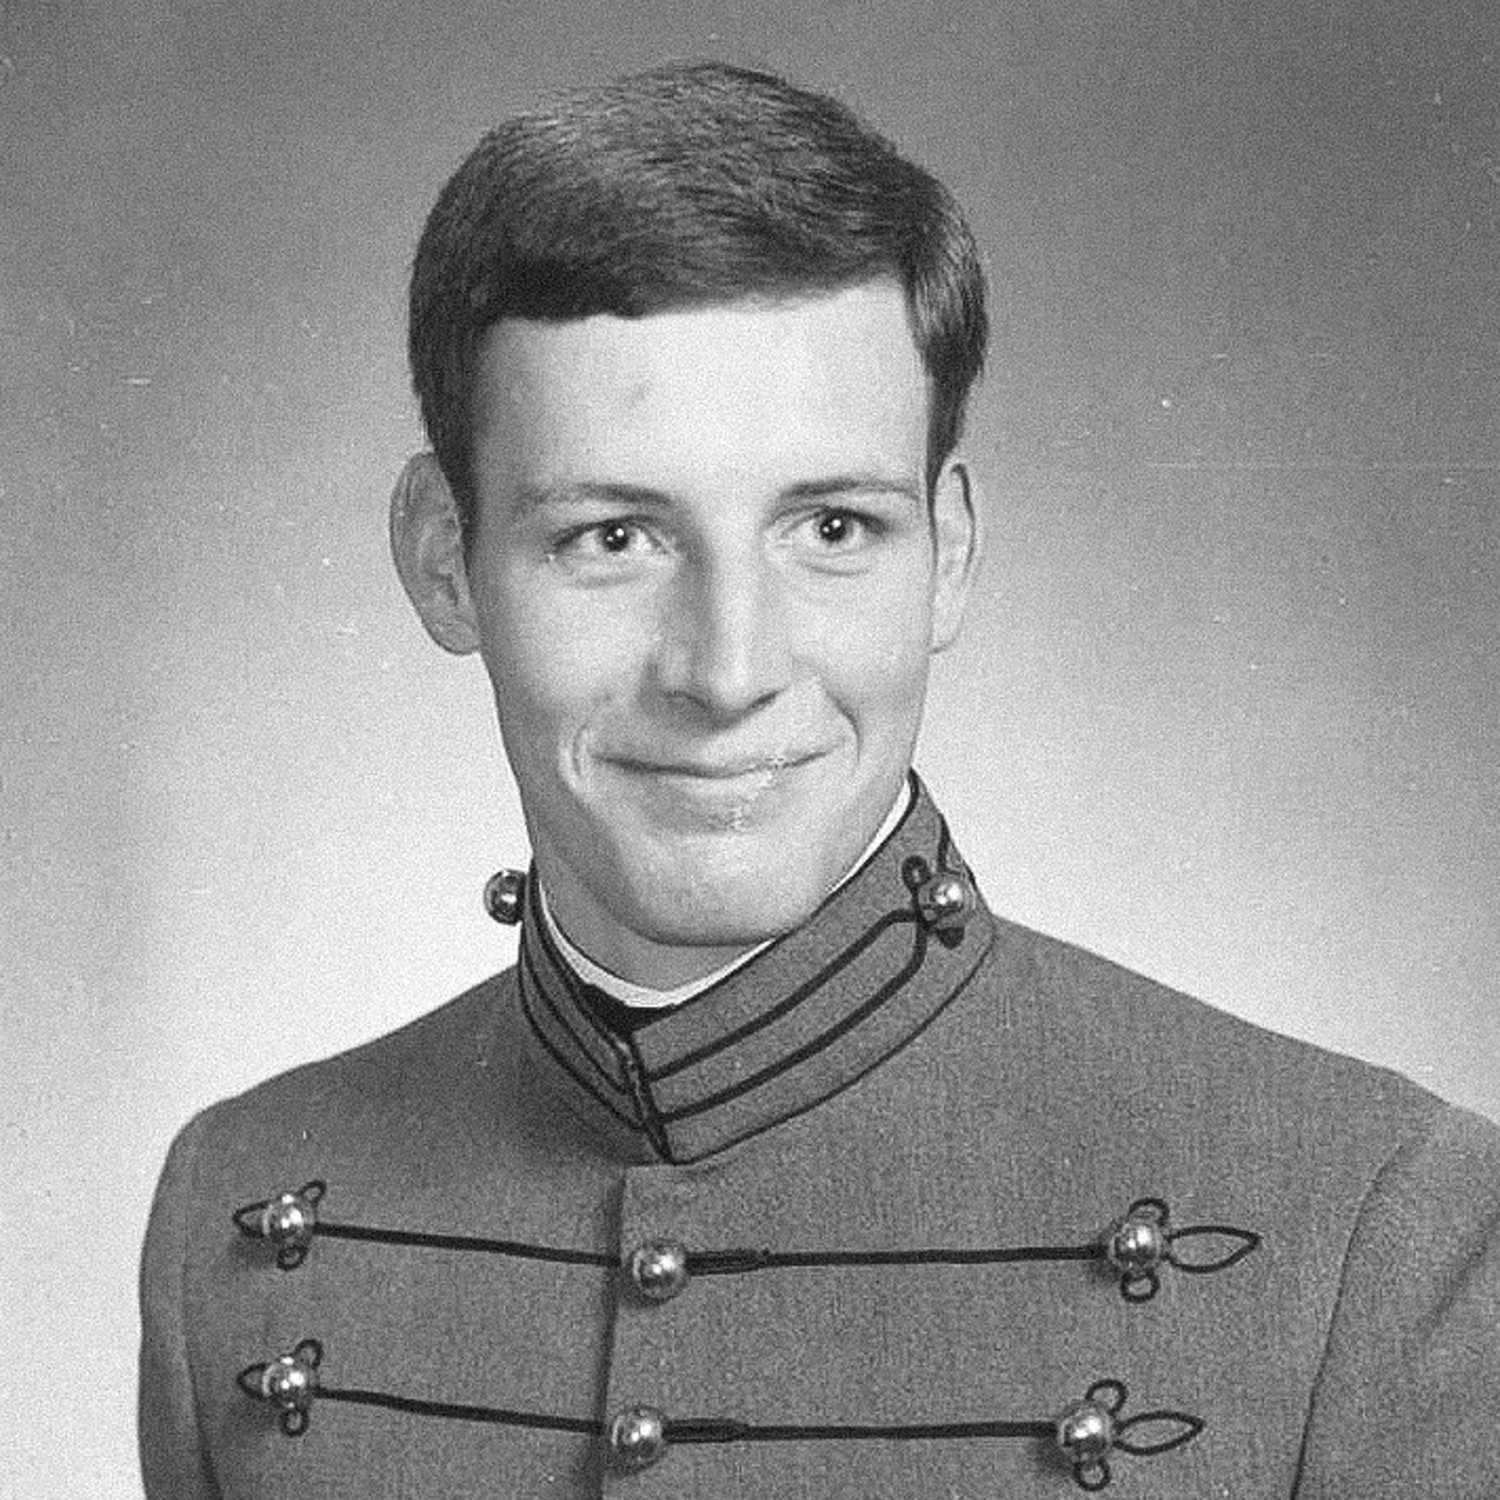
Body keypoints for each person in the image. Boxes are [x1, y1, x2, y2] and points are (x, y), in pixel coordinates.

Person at [138, 62, 1500, 1498]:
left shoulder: (1371, 1226)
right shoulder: (240, 1213)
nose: (728, 671)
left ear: (949, 555)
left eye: (833, 526)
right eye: (613, 537)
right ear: (441, 559)